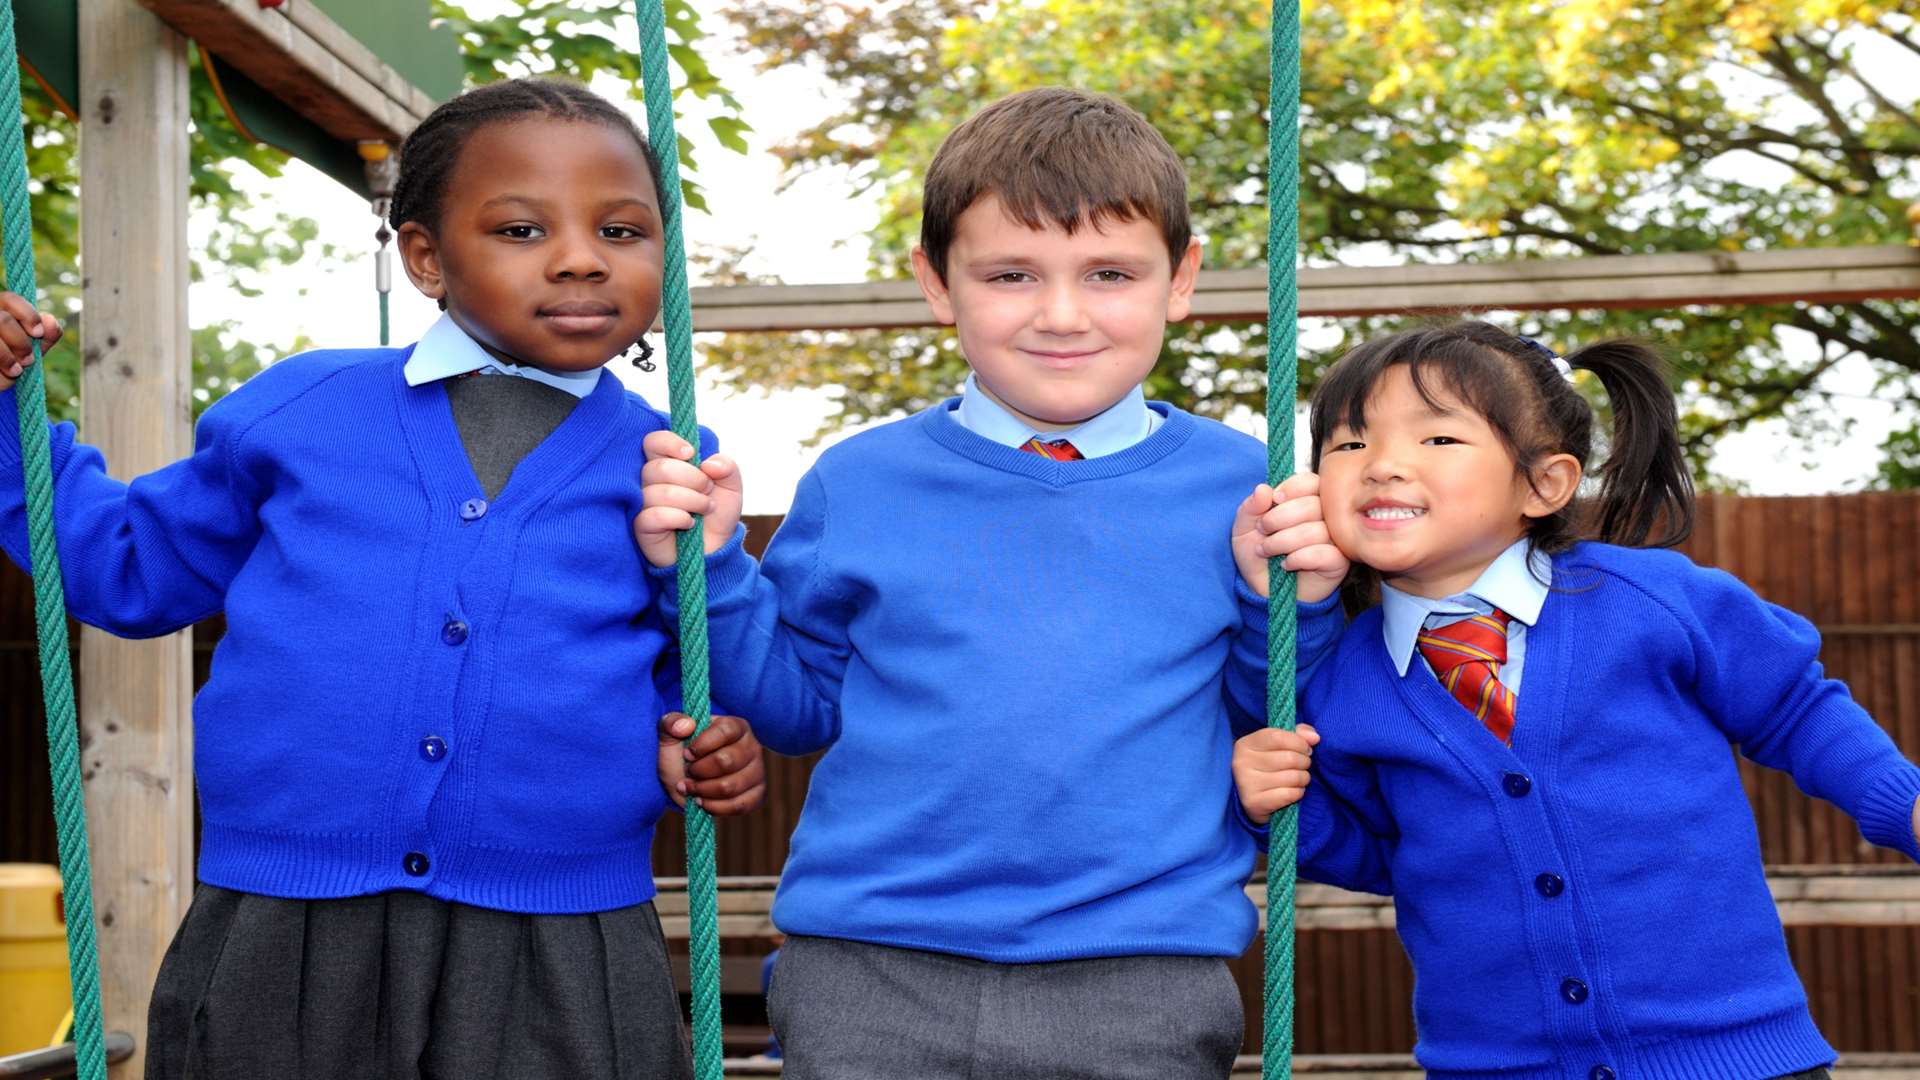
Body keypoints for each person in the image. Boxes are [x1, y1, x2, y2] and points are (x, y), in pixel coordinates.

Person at [0, 77, 767, 1080]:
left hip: (555, 936)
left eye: (623, 231)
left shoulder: (671, 462)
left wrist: (697, 739)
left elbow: (683, 666)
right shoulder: (303, 411)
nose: (582, 257)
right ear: (426, 257)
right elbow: (126, 566)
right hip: (290, 929)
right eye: (524, 229)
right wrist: (10, 421)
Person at [636, 87, 1345, 1080]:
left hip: (1137, 968)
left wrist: (1299, 606)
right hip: (871, 962)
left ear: (1180, 279)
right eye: (1011, 274)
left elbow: (1272, 700)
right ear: (938, 284)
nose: (1062, 314)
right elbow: (798, 706)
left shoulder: (1248, 487)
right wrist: (706, 568)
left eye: (1110, 273)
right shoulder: (862, 481)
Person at [1233, 320, 1920, 1080]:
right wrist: (1283, 810)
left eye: (1437, 440)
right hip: (1493, 1067)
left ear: (1543, 484)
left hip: (1733, 1057)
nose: (1383, 466)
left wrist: (1904, 802)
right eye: (1350, 444)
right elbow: (1388, 854)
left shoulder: (1650, 602)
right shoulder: (1340, 681)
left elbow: (1796, 709)